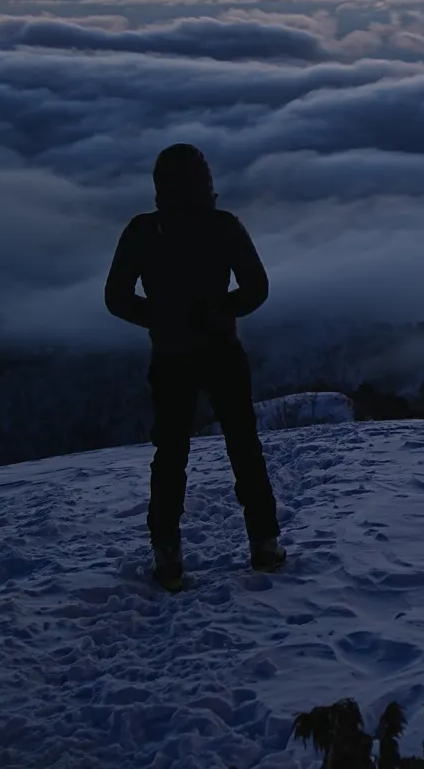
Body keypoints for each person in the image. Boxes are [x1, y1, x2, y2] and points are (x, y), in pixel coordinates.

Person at [105, 143, 283, 589]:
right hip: (222, 350)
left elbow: (117, 298)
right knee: (244, 446)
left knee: (170, 455)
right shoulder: (222, 226)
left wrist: (160, 317)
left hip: (170, 355)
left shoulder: (144, 231)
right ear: (205, 182)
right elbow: (257, 288)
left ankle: (167, 553)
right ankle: (264, 543)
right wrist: (221, 310)